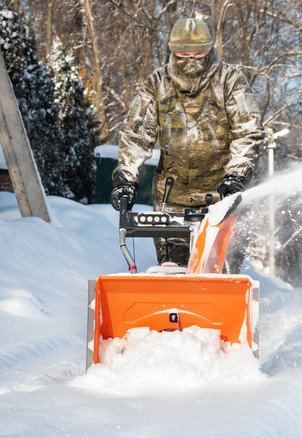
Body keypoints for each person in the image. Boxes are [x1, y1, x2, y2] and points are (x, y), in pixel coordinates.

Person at [110, 16, 265, 267]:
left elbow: (248, 131)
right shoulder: (157, 83)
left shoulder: (230, 81)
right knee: (174, 274)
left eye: (198, 53)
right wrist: (126, 178)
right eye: (183, 54)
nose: (191, 60)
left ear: (209, 49)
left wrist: (236, 175)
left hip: (221, 199)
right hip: (172, 199)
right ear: (172, 51)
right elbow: (136, 133)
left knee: (218, 275)